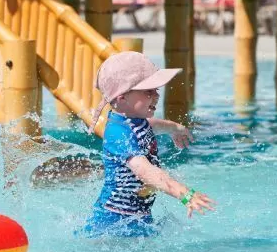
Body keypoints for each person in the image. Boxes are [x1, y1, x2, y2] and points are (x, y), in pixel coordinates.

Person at [83, 51, 215, 237]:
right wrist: (183, 193)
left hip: (137, 217)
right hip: (113, 224)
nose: (156, 96)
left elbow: (151, 125)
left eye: (156, 90)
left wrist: (175, 128)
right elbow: (145, 172)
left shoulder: (134, 120)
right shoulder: (118, 134)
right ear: (122, 97)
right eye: (148, 91)